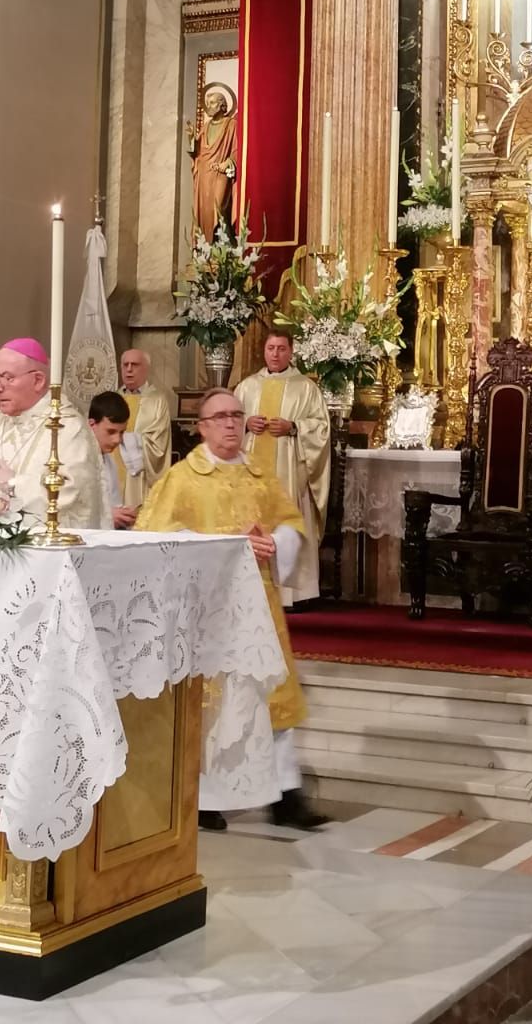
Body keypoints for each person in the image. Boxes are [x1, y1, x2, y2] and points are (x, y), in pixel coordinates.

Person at [135, 388, 327, 832]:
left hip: (259, 608)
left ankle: (285, 796)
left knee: (271, 696)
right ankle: (204, 798)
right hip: (210, 613)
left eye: (236, 415)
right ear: (201, 427)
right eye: (219, 417)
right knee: (213, 706)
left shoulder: (260, 475)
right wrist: (219, 549)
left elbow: (291, 523)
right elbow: (156, 537)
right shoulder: (182, 479)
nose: (229, 423)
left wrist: (274, 543)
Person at [0, 338, 109, 528]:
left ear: (38, 380)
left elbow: (73, 493)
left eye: (7, 378)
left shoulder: (67, 426)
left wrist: (14, 485)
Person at [235, 331, 331, 604]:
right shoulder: (246, 387)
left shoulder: (306, 387)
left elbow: (321, 428)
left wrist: (294, 427)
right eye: (270, 348)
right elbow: (226, 421)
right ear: (263, 352)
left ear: (291, 352)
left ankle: (293, 593)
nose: (275, 354)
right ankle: (253, 590)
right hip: (252, 472)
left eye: (281, 349)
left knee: (287, 519)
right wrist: (245, 424)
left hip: (289, 471)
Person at [110, 349, 172, 511]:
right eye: (125, 365)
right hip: (113, 474)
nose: (129, 369)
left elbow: (158, 443)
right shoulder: (111, 399)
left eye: (135, 365)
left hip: (139, 480)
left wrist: (128, 440)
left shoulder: (157, 400)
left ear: (146, 368)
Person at [186, 84, 237, 241]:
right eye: (207, 104)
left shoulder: (231, 125)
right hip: (203, 175)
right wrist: (191, 138)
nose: (209, 107)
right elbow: (197, 152)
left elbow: (237, 149)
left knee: (219, 207)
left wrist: (228, 162)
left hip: (220, 173)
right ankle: (204, 250)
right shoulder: (206, 126)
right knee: (204, 211)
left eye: (213, 103)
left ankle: (222, 247)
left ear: (222, 105)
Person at [89, 390, 138, 529]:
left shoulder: (109, 461)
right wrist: (108, 516)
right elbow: (70, 510)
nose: (117, 440)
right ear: (92, 425)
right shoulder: (77, 458)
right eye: (110, 431)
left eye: (121, 432)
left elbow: (113, 503)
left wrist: (123, 515)